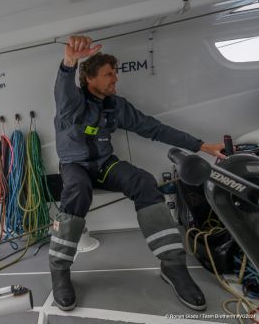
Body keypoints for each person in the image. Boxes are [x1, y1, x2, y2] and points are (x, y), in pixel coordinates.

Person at [50, 35, 224, 312]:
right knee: (77, 190)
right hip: (74, 166)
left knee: (143, 181)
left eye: (115, 75)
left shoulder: (116, 105)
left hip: (105, 165)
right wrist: (70, 62)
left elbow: (153, 128)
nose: (115, 80)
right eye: (109, 75)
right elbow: (63, 88)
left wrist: (201, 146)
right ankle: (59, 270)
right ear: (89, 78)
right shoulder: (72, 102)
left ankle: (173, 266)